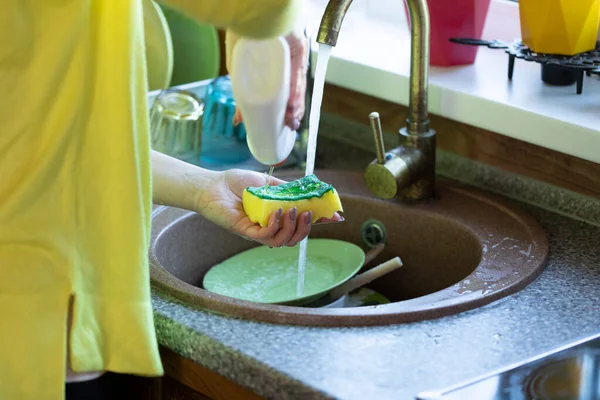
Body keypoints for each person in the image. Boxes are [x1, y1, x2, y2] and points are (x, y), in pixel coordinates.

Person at [0, 1, 341, 399]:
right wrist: (279, 24)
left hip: (73, 316)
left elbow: (62, 137)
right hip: (30, 327)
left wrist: (202, 186)